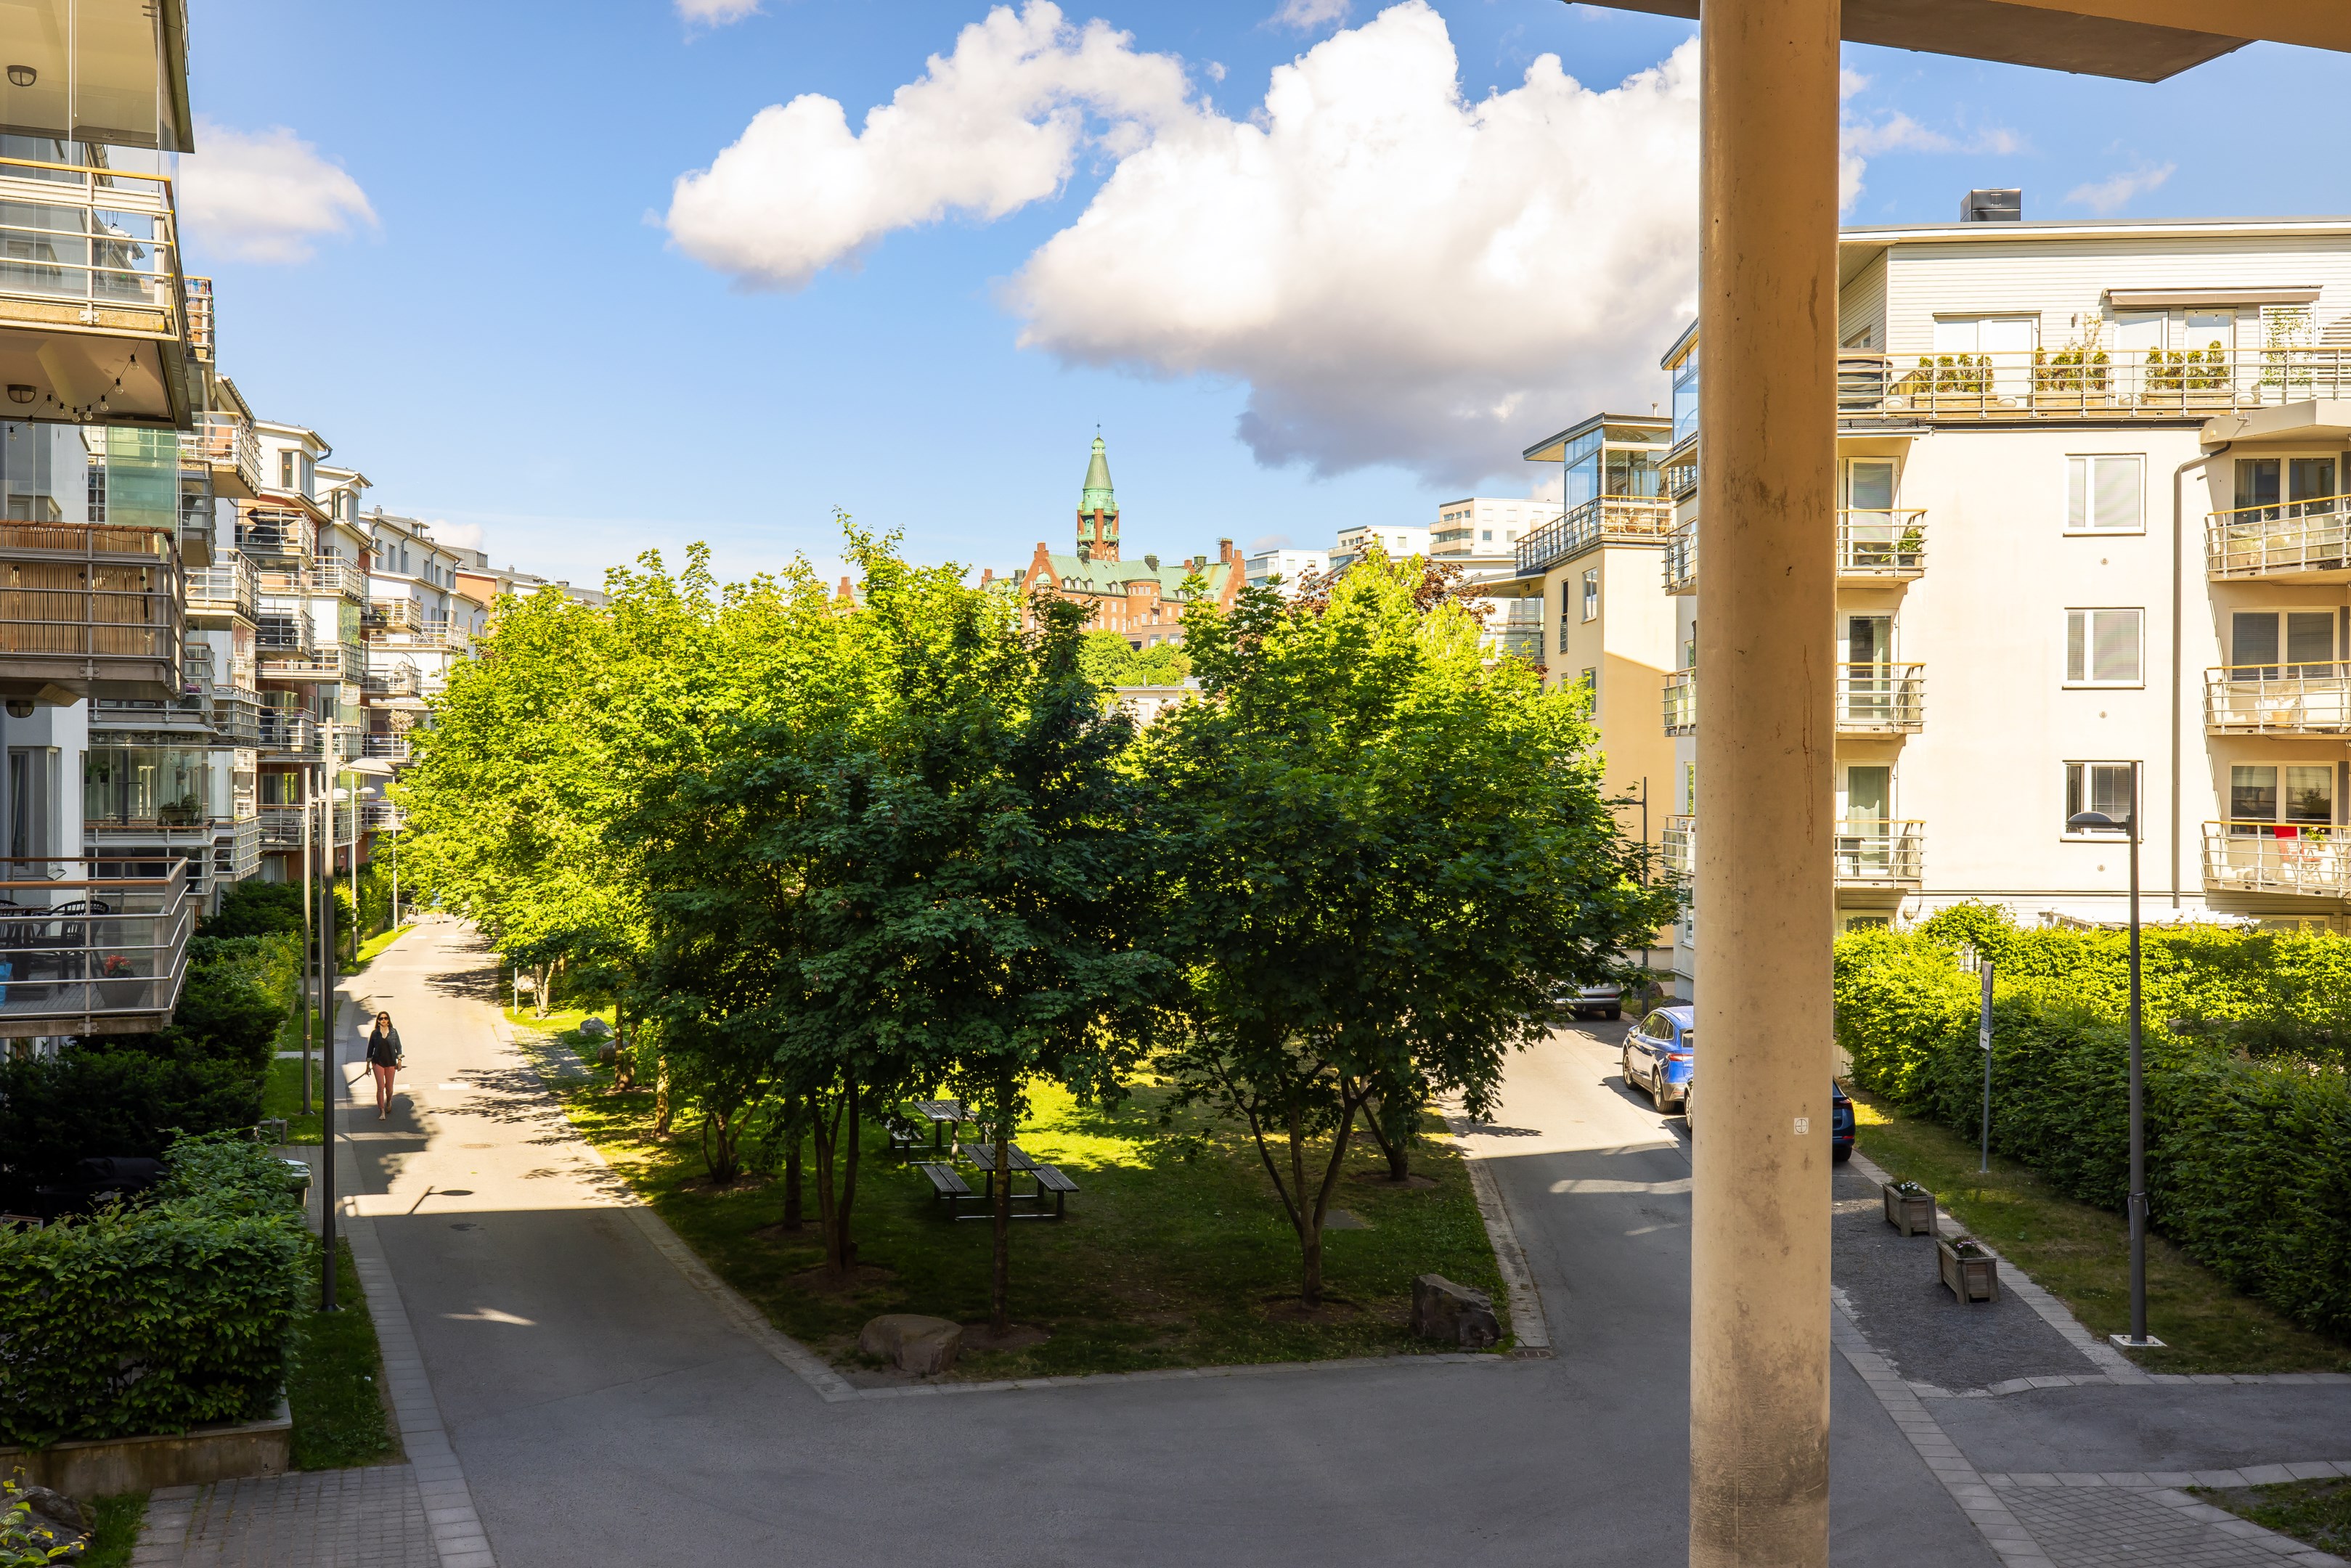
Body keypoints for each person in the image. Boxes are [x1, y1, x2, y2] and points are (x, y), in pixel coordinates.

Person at [365, 1010, 402, 1118]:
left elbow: (399, 1047)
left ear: (389, 1020)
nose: (383, 1020)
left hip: (391, 1062)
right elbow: (370, 1049)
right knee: (381, 1087)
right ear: (378, 1021)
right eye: (381, 1019)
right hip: (378, 1063)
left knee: (389, 1088)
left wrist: (399, 1061)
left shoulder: (393, 1032)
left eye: (386, 1018)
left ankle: (389, 1101)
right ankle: (382, 1111)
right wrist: (368, 1065)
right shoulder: (375, 1033)